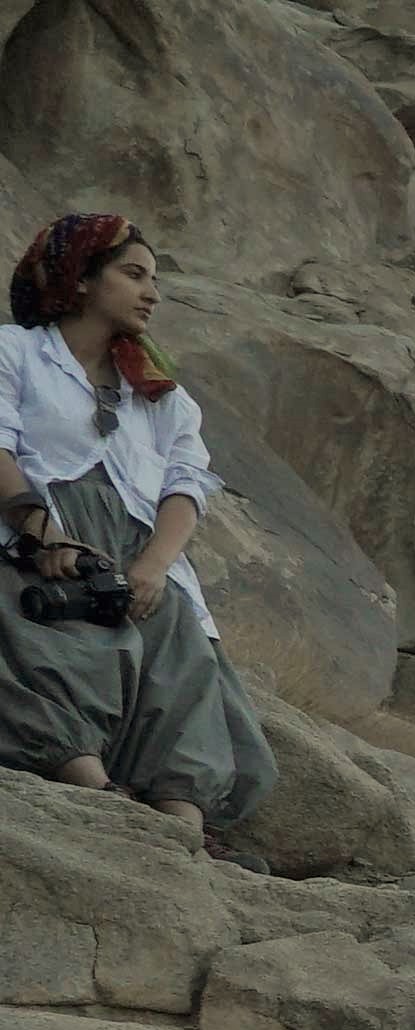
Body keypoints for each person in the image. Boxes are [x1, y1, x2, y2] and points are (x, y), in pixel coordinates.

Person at [0, 213, 274, 861]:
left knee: (181, 669)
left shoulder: (161, 395)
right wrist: (46, 539)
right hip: (39, 541)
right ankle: (92, 793)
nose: (152, 292)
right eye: (133, 274)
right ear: (83, 280)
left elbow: (187, 484)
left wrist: (155, 564)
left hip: (140, 562)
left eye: (155, 279)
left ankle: (178, 829)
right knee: (55, 648)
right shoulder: (15, 353)